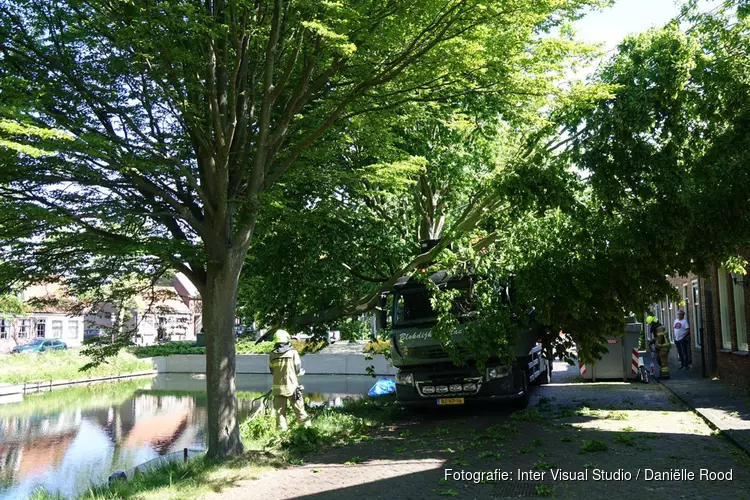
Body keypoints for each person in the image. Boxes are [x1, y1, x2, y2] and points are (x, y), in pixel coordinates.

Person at [269, 329, 311, 430]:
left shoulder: (272, 355)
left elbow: (272, 370)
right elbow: (297, 369)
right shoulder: (292, 352)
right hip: (292, 388)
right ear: (287, 340)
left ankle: (282, 437)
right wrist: (299, 373)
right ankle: (307, 431)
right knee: (300, 411)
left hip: (278, 389)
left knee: (280, 415)